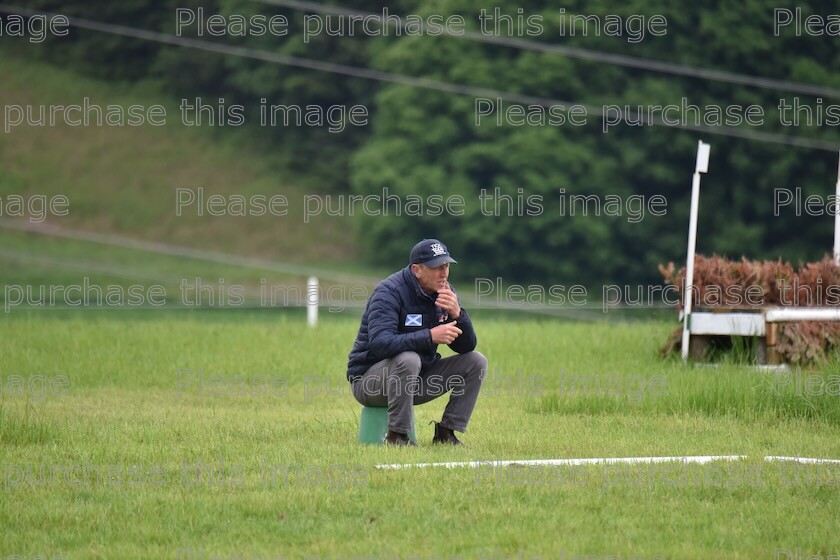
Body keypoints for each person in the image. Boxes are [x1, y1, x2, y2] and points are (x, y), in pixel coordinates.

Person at [347, 239, 487, 446]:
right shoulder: (389, 293)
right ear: (417, 270)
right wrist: (429, 336)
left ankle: (446, 434)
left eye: (446, 266)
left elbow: (465, 347)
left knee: (476, 361)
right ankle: (397, 437)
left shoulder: (446, 293)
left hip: (416, 380)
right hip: (369, 383)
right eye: (437, 267)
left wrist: (458, 314)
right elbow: (379, 344)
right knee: (409, 359)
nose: (444, 273)